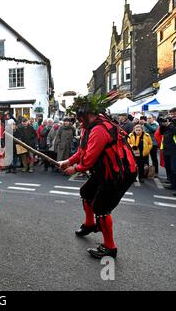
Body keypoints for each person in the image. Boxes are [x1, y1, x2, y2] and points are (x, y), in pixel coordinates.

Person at [59, 95, 137, 259]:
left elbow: (87, 161)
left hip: (119, 173)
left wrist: (74, 169)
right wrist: (68, 161)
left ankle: (110, 248)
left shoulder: (99, 129)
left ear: (90, 115)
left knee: (101, 207)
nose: (79, 122)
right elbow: (82, 152)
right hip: (104, 170)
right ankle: (90, 224)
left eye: (81, 118)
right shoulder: (89, 127)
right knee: (86, 193)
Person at [160, 108, 176, 197]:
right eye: (171, 114)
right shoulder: (171, 121)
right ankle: (173, 184)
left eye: (174, 114)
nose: (172, 115)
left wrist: (170, 125)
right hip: (167, 148)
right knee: (169, 167)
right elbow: (162, 132)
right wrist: (163, 125)